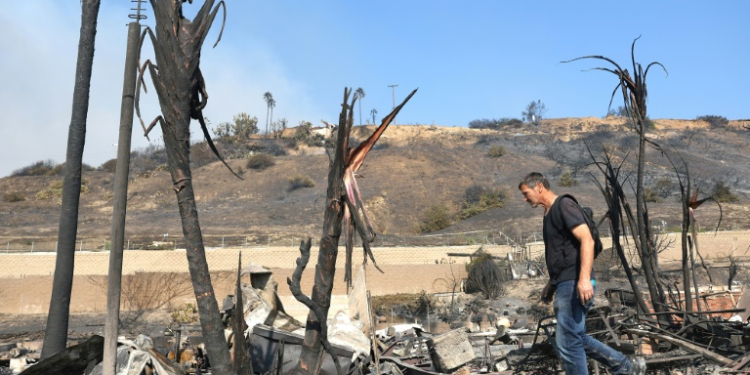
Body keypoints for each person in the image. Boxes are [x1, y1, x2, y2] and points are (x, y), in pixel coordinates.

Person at [518, 172, 645, 375]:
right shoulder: (549, 213)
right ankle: (624, 366)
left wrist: (584, 279)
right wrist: (550, 286)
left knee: (567, 341)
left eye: (526, 193)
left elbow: (587, 239)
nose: (525, 199)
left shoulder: (564, 205)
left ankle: (625, 366)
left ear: (539, 186)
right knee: (575, 337)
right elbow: (563, 255)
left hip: (575, 282)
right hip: (565, 283)